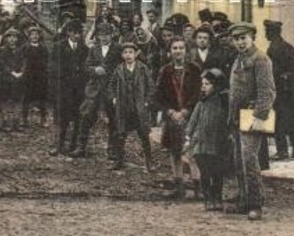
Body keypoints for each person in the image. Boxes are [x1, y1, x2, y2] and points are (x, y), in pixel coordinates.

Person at [227, 22, 276, 221]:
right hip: (238, 116)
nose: (240, 42)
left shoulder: (261, 59)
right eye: (236, 39)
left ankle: (255, 204)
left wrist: (259, 116)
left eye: (243, 38)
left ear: (252, 37)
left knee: (249, 159)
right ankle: (244, 199)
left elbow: (267, 91)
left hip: (252, 116)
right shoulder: (239, 59)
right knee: (239, 160)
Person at [155, 36, 202, 198]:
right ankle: (178, 186)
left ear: (186, 51)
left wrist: (186, 111)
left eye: (181, 48)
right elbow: (158, 96)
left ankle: (198, 188)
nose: (178, 51)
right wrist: (170, 112)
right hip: (172, 117)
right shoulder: (165, 71)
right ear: (170, 52)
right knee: (174, 151)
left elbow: (198, 93)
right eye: (174, 48)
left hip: (191, 116)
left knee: (193, 151)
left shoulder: (195, 70)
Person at [73, 18, 122, 159]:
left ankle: (112, 149)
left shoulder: (118, 48)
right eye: (101, 34)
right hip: (94, 89)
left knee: (113, 118)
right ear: (98, 35)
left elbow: (122, 67)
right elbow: (86, 67)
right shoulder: (93, 49)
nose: (104, 37)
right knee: (86, 115)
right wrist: (95, 70)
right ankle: (81, 147)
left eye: (107, 34)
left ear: (112, 34)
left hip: (111, 89)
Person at [185, 68, 230, 211]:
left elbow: (228, 122)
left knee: (218, 173)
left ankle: (217, 198)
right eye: (202, 83)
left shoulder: (223, 105)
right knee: (205, 172)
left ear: (216, 86)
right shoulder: (200, 104)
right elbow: (192, 122)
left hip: (218, 144)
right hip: (201, 144)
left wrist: (229, 135)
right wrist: (188, 137)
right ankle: (208, 198)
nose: (203, 86)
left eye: (208, 84)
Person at [107, 39, 155, 172]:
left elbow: (151, 87)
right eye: (125, 52)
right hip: (123, 108)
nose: (128, 55)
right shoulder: (118, 69)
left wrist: (147, 101)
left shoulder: (143, 68)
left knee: (143, 135)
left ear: (135, 54)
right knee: (120, 134)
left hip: (139, 107)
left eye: (131, 52)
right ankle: (119, 160)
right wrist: (114, 98)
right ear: (122, 55)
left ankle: (149, 162)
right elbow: (110, 86)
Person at [263, 19, 294, 161]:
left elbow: (273, 71)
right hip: (291, 89)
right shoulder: (288, 46)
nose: (266, 34)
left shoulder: (273, 49)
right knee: (290, 118)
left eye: (267, 32)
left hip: (280, 90)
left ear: (272, 32)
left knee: (278, 121)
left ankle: (282, 150)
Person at [49, 19, 87, 156]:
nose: (77, 36)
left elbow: (86, 69)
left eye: (80, 33)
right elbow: (53, 69)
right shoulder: (58, 47)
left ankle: (73, 145)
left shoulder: (84, 49)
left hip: (79, 90)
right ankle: (59, 145)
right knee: (62, 118)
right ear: (69, 32)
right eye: (75, 33)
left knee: (78, 118)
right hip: (63, 89)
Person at [0, 27, 26, 131]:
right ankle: (6, 121)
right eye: (10, 37)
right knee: (4, 99)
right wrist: (12, 72)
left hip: (18, 79)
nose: (12, 39)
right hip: (6, 79)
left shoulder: (20, 50)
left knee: (17, 100)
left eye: (14, 37)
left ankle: (16, 121)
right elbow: (2, 63)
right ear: (5, 39)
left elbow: (24, 62)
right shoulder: (2, 50)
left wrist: (22, 72)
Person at [21, 26, 49, 128]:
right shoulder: (25, 47)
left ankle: (43, 119)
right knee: (26, 98)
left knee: (42, 99)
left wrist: (45, 72)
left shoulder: (43, 47)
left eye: (36, 34)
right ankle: (24, 119)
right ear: (28, 36)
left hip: (40, 76)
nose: (34, 36)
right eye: (32, 34)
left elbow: (46, 61)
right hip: (28, 76)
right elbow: (22, 61)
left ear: (39, 36)